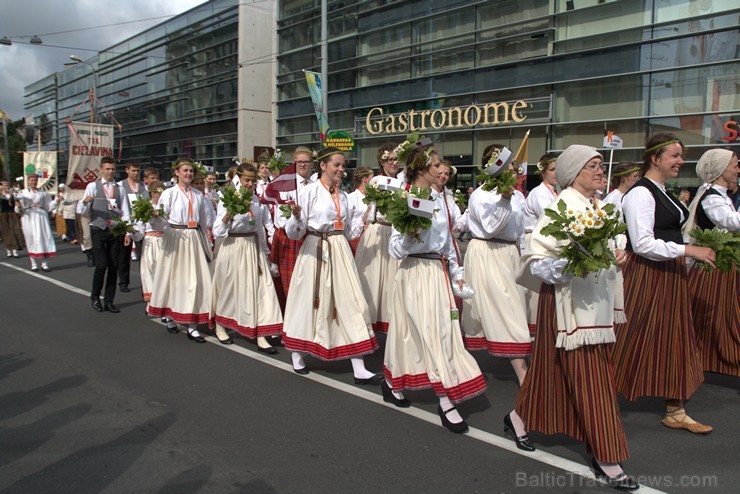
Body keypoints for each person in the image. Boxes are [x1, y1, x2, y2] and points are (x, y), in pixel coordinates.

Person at [516, 145, 637, 490]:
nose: (601, 171)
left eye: (601, 165)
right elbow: (536, 260)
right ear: (574, 172)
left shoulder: (597, 206)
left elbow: (611, 246)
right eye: (593, 166)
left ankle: (517, 419)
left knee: (549, 372)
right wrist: (572, 263)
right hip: (570, 307)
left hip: (594, 304)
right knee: (593, 380)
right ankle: (607, 456)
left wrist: (617, 254)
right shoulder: (561, 207)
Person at [613, 133, 716, 434]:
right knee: (632, 335)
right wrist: (688, 250)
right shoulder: (640, 194)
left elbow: (669, 234)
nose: (681, 161)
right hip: (646, 275)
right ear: (655, 158)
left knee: (675, 339)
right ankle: (594, 393)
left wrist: (690, 252)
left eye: (680, 155)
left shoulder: (661, 190)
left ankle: (675, 408)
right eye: (674, 155)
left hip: (668, 274)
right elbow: (643, 243)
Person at [383, 140, 486, 434]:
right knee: (419, 332)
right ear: (421, 168)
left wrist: (457, 273)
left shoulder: (439, 199)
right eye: (437, 165)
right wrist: (410, 233)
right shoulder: (404, 197)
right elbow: (394, 250)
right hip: (414, 273)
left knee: (439, 332)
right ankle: (445, 399)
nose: (442, 170)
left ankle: (395, 384)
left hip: (437, 272)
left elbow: (448, 243)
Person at [283, 147, 381, 383]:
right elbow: (294, 233)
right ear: (323, 166)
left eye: (343, 165)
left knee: (352, 302)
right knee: (309, 301)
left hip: (340, 250)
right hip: (316, 249)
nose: (341, 169)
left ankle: (359, 366)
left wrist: (366, 217)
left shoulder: (344, 195)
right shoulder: (308, 192)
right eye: (336, 165)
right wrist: (296, 217)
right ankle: (298, 353)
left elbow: (348, 231)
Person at [462, 147, 531, 387]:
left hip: (509, 253)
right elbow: (491, 228)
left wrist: (523, 255)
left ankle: (466, 363)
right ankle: (524, 375)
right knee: (505, 308)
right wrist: (504, 198)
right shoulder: (481, 195)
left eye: (513, 165)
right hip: (488, 253)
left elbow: (519, 229)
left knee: (513, 306)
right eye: (510, 165)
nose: (514, 168)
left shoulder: (517, 195)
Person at [210, 163, 283, 353]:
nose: (250, 184)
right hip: (233, 246)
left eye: (253, 180)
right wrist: (228, 215)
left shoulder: (255, 200)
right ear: (239, 179)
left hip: (253, 247)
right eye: (247, 180)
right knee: (230, 288)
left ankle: (261, 334)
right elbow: (218, 230)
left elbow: (259, 227)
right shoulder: (226, 198)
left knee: (261, 288)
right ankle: (220, 323)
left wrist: (266, 252)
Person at [682, 149, 739, 377]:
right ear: (720, 169)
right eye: (734, 165)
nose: (737, 169)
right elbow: (730, 222)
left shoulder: (721, 195)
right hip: (713, 266)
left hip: (723, 264)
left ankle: (713, 357)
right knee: (717, 315)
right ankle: (712, 357)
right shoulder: (712, 197)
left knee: (722, 315)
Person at [146, 158, 213, 342]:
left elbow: (204, 221)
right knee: (173, 278)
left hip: (193, 237)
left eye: (191, 171)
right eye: (185, 170)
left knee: (194, 280)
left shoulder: (198, 195)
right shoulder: (169, 193)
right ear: (176, 172)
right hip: (175, 236)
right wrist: (154, 217)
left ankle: (192, 325)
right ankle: (169, 316)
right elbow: (161, 220)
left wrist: (207, 240)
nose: (188, 174)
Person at [354, 144, 403, 333]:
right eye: (390, 159)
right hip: (379, 231)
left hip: (395, 233)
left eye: (396, 159)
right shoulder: (377, 180)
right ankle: (365, 327)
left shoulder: (401, 181)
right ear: (382, 162)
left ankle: (392, 325)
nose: (394, 163)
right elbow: (373, 209)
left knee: (393, 283)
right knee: (373, 281)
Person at [81, 157, 132, 313]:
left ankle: (109, 300)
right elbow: (82, 211)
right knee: (101, 265)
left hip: (115, 229)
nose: (110, 172)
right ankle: (95, 296)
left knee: (113, 266)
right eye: (107, 169)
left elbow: (125, 212)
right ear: (101, 170)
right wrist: (86, 202)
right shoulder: (92, 186)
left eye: (113, 169)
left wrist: (127, 231)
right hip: (98, 228)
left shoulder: (120, 189)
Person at [269, 146, 316, 310]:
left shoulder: (315, 185)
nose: (303, 165)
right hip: (288, 237)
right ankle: (289, 319)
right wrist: (295, 218)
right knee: (289, 282)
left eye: (306, 162)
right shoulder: (284, 183)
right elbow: (281, 216)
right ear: (294, 163)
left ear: (312, 164)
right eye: (299, 162)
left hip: (309, 236)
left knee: (308, 281)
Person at [521, 153, 559, 336]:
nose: (556, 173)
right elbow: (552, 219)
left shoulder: (555, 191)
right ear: (543, 172)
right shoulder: (539, 193)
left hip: (548, 240)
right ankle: (536, 330)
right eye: (552, 170)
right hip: (536, 240)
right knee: (536, 291)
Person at [132, 180, 167, 305]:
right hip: (150, 242)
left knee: (163, 272)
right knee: (149, 270)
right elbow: (140, 231)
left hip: (164, 241)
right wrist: (132, 231)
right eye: (159, 193)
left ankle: (163, 303)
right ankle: (151, 303)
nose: (162, 196)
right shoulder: (145, 208)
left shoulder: (166, 208)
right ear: (152, 193)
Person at [16, 167, 57, 271]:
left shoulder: (43, 193)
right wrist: (18, 206)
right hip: (28, 217)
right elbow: (18, 209)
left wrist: (56, 202)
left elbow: (48, 206)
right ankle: (33, 263)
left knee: (43, 238)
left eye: (35, 180)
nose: (34, 182)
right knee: (31, 239)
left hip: (41, 217)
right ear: (28, 182)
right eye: (32, 180)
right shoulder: (22, 193)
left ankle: (45, 263)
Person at [118, 161, 149, 292]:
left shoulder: (143, 187)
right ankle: (123, 282)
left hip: (141, 224)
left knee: (144, 255)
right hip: (127, 223)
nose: (136, 173)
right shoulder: (120, 186)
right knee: (124, 255)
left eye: (138, 171)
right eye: (133, 171)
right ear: (127, 170)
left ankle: (145, 283)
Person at [347, 166, 373, 255]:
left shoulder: (374, 197)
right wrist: (364, 218)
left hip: (371, 239)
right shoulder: (351, 197)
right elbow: (348, 222)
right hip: (356, 239)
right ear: (365, 179)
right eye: (372, 178)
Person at [0, 180, 24, 257]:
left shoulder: (13, 193)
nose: (6, 185)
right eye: (5, 184)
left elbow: (18, 200)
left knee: (15, 230)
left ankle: (15, 250)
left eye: (7, 184)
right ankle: (8, 250)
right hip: (3, 215)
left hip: (12, 214)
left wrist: (18, 205)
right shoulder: (0, 194)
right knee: (6, 232)